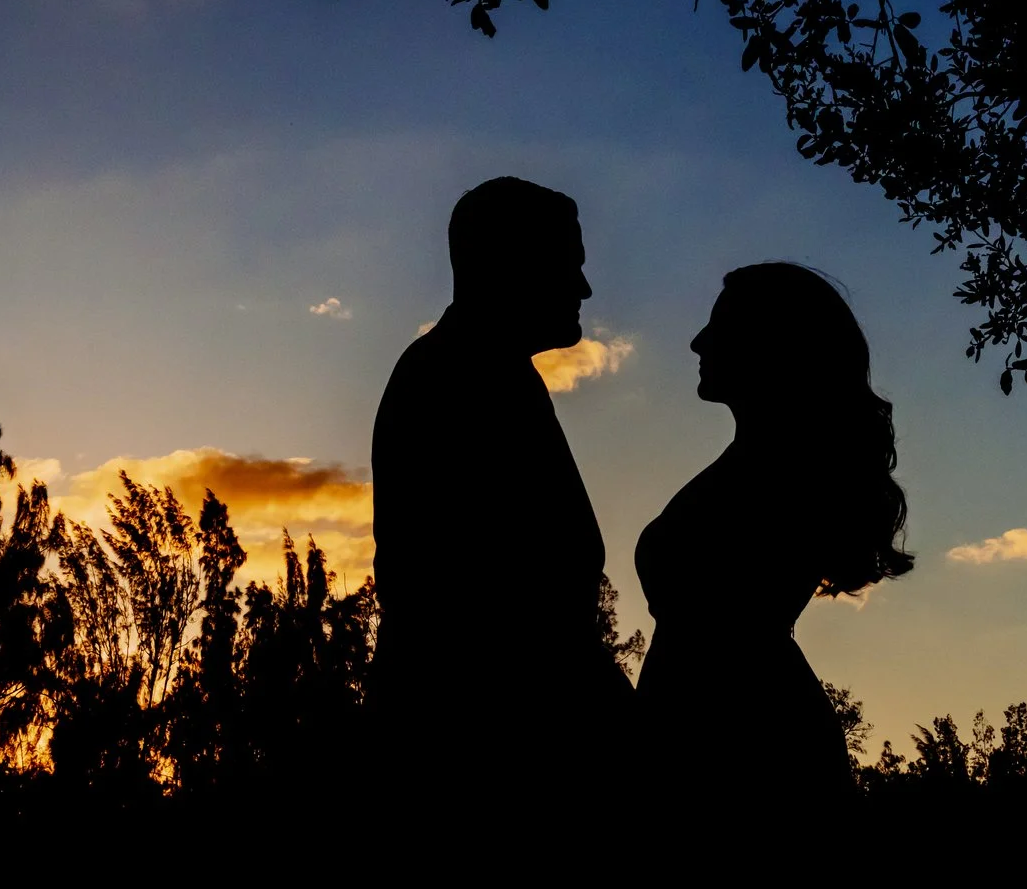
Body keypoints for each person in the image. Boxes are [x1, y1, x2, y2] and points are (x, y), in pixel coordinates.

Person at [369, 177, 632, 821]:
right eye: (569, 265)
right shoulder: (460, 379)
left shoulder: (493, 374)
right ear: (509, 263)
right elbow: (499, 605)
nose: (584, 289)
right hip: (490, 764)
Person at [634, 263, 913, 829]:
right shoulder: (762, 463)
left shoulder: (782, 473)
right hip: (728, 732)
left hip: (744, 747)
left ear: (770, 345)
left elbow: (720, 632)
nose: (697, 341)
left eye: (719, 327)